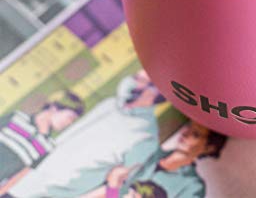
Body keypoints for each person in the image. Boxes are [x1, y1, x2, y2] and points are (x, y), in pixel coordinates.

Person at [9, 70, 166, 198]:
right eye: (135, 76)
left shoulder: (146, 136)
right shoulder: (109, 104)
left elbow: (117, 184)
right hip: (24, 182)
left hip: (52, 194)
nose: (132, 81)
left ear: (156, 92)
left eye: (141, 80)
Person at [91, 121, 227, 198]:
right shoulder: (150, 153)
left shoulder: (192, 185)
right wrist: (113, 187)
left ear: (209, 148)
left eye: (195, 134)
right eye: (188, 127)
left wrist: (113, 187)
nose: (185, 133)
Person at [0, 91, 84, 194]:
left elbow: (21, 174)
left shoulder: (48, 146)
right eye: (70, 117)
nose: (69, 123)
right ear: (54, 108)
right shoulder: (17, 117)